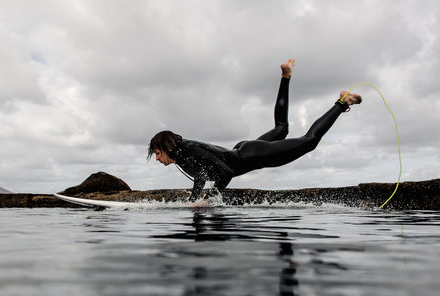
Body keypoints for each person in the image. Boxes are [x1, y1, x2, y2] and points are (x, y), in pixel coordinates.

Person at [148, 59, 362, 205]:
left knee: (310, 141)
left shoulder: (189, 150)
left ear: (168, 147)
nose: (157, 159)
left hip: (251, 154)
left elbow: (226, 172)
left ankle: (343, 102)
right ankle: (286, 75)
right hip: (244, 150)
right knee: (282, 128)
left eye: (158, 153)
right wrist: (194, 200)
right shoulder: (184, 155)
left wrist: (210, 199)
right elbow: (202, 176)